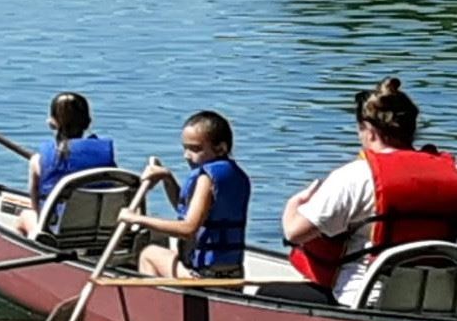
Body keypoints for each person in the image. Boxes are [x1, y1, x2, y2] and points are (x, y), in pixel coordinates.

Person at [281, 77, 457, 306]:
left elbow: (295, 233)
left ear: (370, 131)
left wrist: (294, 205)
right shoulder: (452, 171)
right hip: (442, 302)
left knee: (266, 293)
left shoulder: (355, 176)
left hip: (366, 300)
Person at [122, 110, 251, 280]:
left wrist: (137, 219)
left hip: (205, 276)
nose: (186, 156)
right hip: (234, 273)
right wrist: (167, 178)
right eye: (185, 148)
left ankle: (161, 297)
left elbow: (188, 229)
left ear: (221, 148)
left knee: (149, 254)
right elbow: (191, 212)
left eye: (195, 149)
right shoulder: (236, 174)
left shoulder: (206, 179)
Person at [15, 92, 117, 237]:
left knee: (25, 216)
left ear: (52, 123)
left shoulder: (38, 161)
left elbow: (35, 205)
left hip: (57, 232)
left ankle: (34, 242)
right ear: (88, 122)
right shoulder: (106, 158)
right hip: (102, 230)